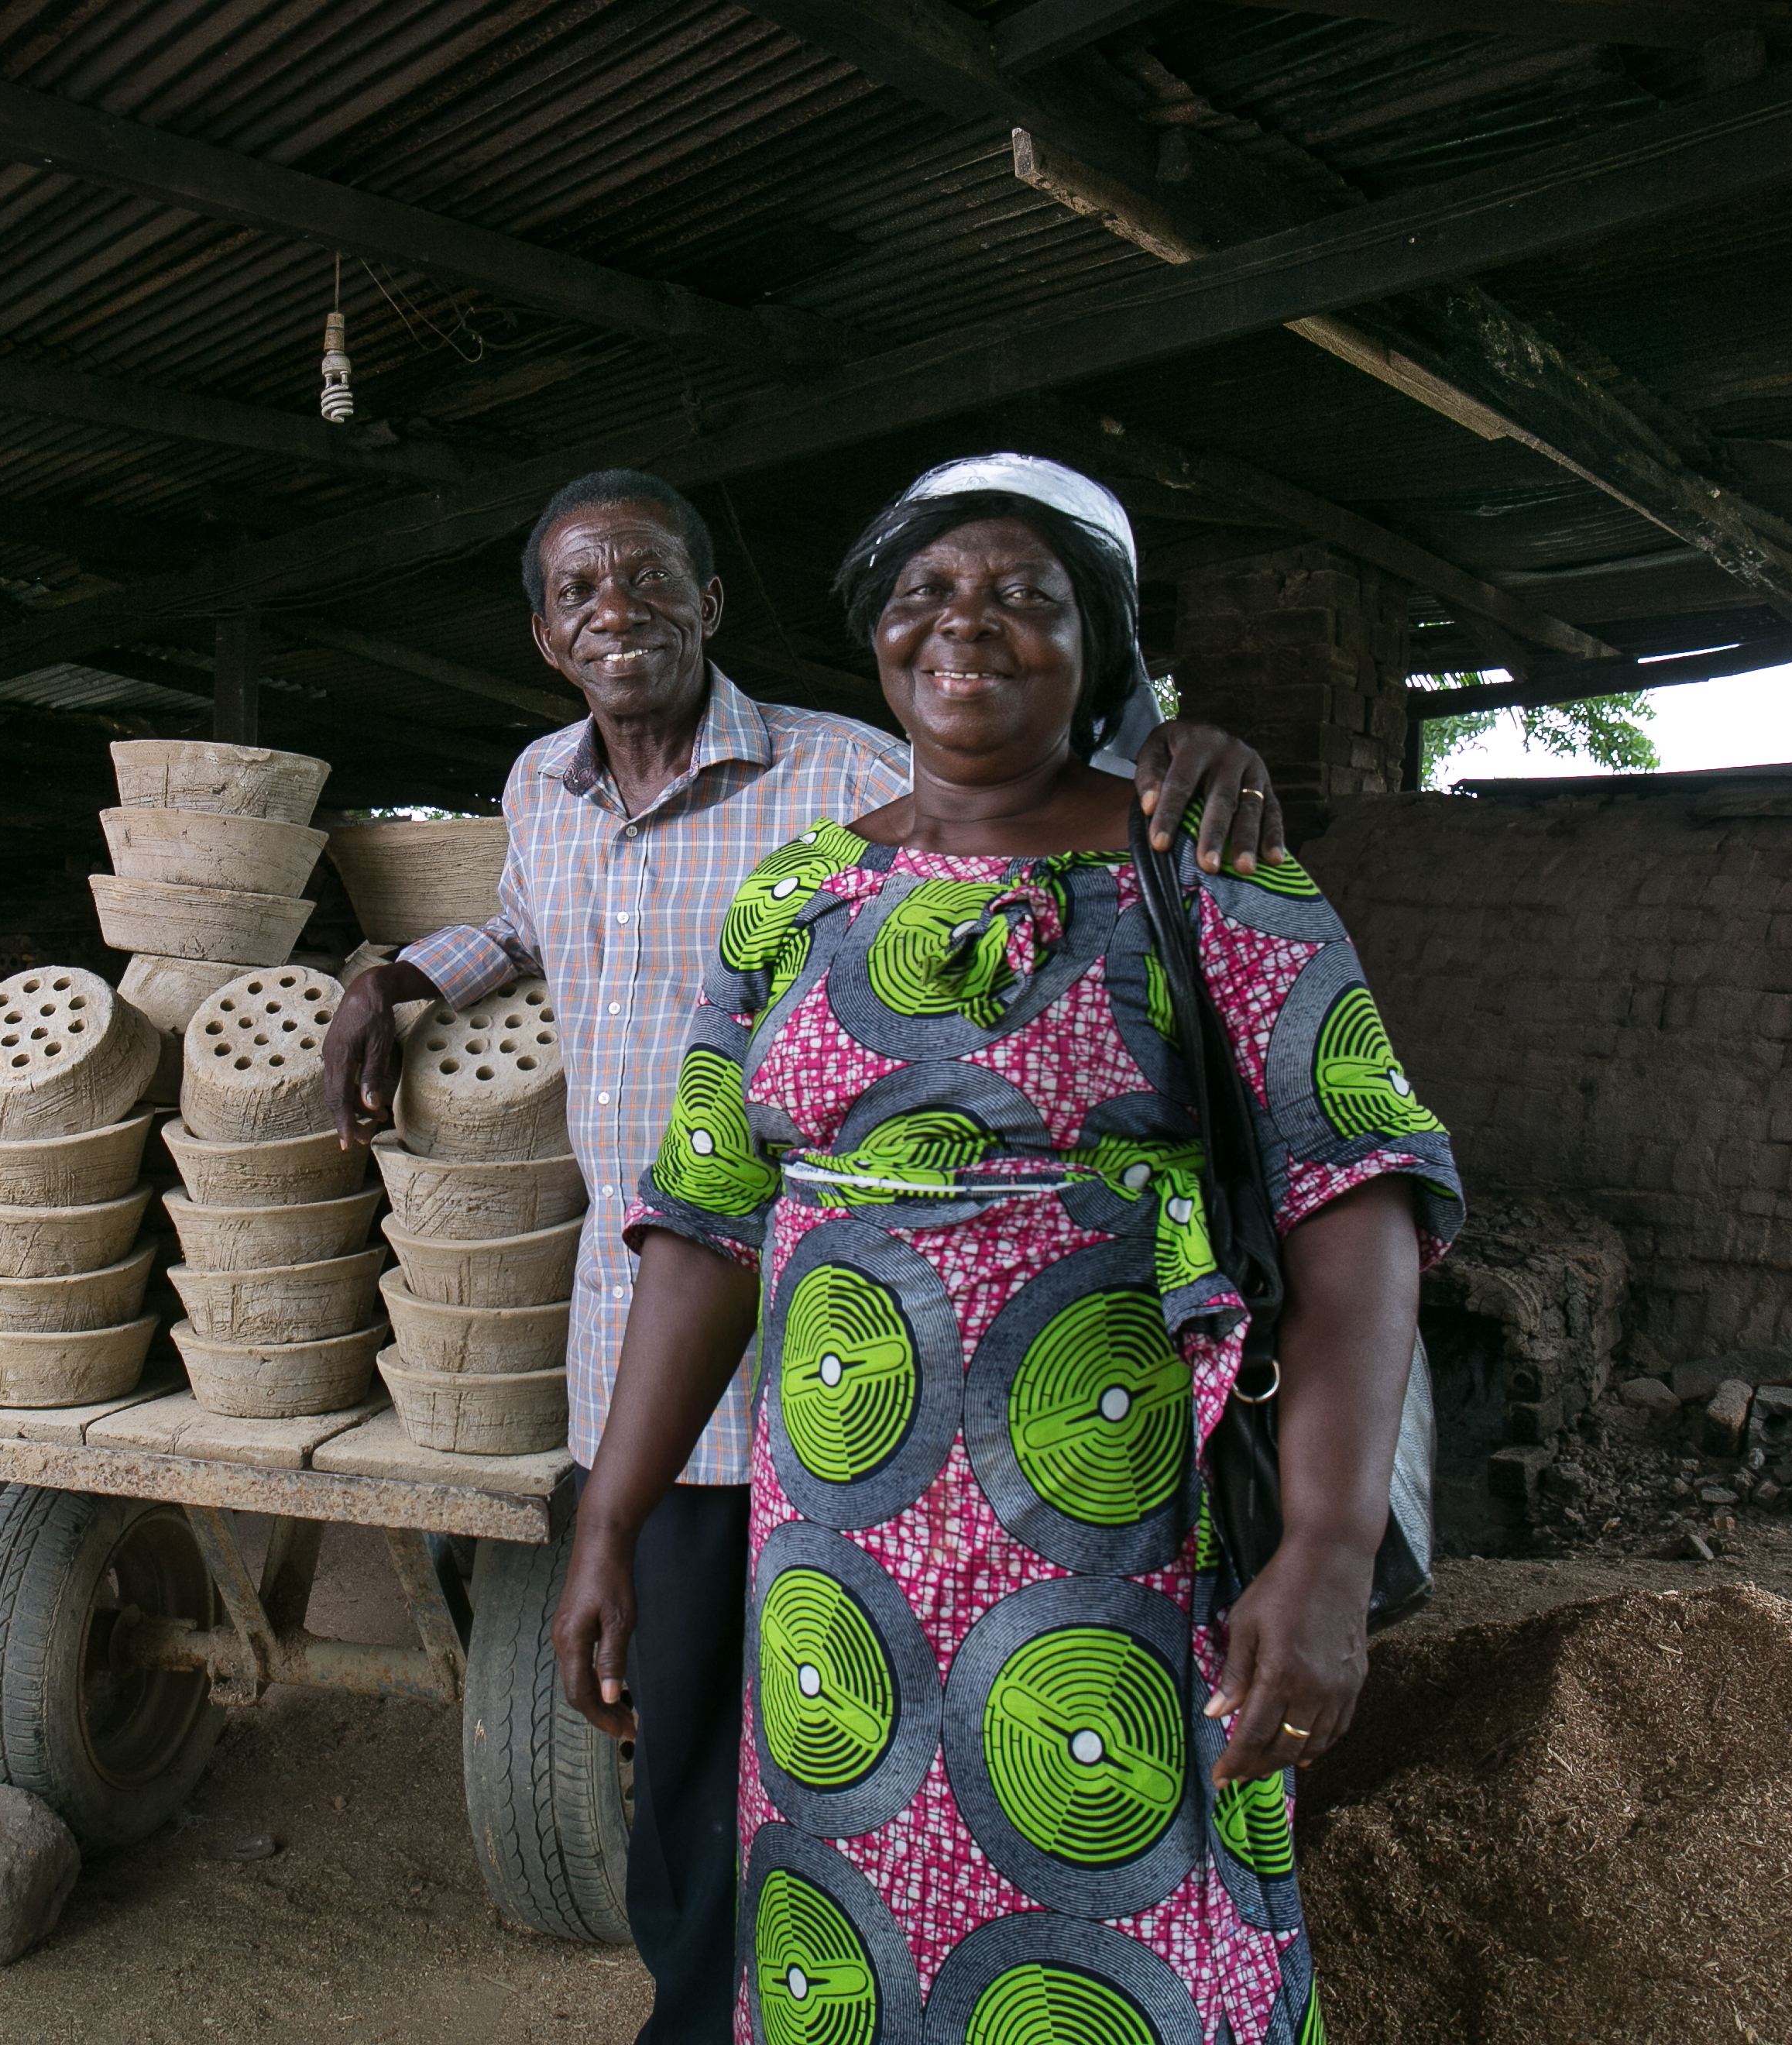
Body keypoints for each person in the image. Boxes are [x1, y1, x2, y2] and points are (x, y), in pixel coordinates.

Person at [321, 466, 1286, 2041]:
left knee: (833, 1737)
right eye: (577, 591)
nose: (613, 609)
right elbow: (519, 926)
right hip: (638, 1336)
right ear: (544, 634)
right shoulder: (541, 789)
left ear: (711, 602)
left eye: (646, 579)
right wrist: (387, 975)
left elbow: (1025, 803)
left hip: (841, 1377)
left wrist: (1181, 748)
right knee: (692, 1726)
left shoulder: (842, 776)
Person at [550, 454, 1464, 2042]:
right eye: (925, 597)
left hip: (1117, 1536)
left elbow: (1357, 1195)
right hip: (834, 1565)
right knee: (851, 1926)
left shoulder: (1208, 874)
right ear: (878, 644)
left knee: (1135, 1917)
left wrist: (1324, 1548)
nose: (965, 625)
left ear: (1095, 653)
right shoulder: (798, 897)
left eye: (1023, 598)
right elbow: (700, 1223)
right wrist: (615, 1515)